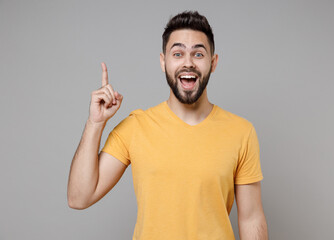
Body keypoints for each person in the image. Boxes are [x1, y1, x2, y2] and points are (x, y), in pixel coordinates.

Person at [67, 10, 268, 240]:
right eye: (178, 53)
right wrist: (95, 123)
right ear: (164, 62)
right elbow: (78, 198)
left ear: (213, 63)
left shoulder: (241, 132)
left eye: (199, 54)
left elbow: (251, 217)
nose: (188, 63)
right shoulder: (136, 127)